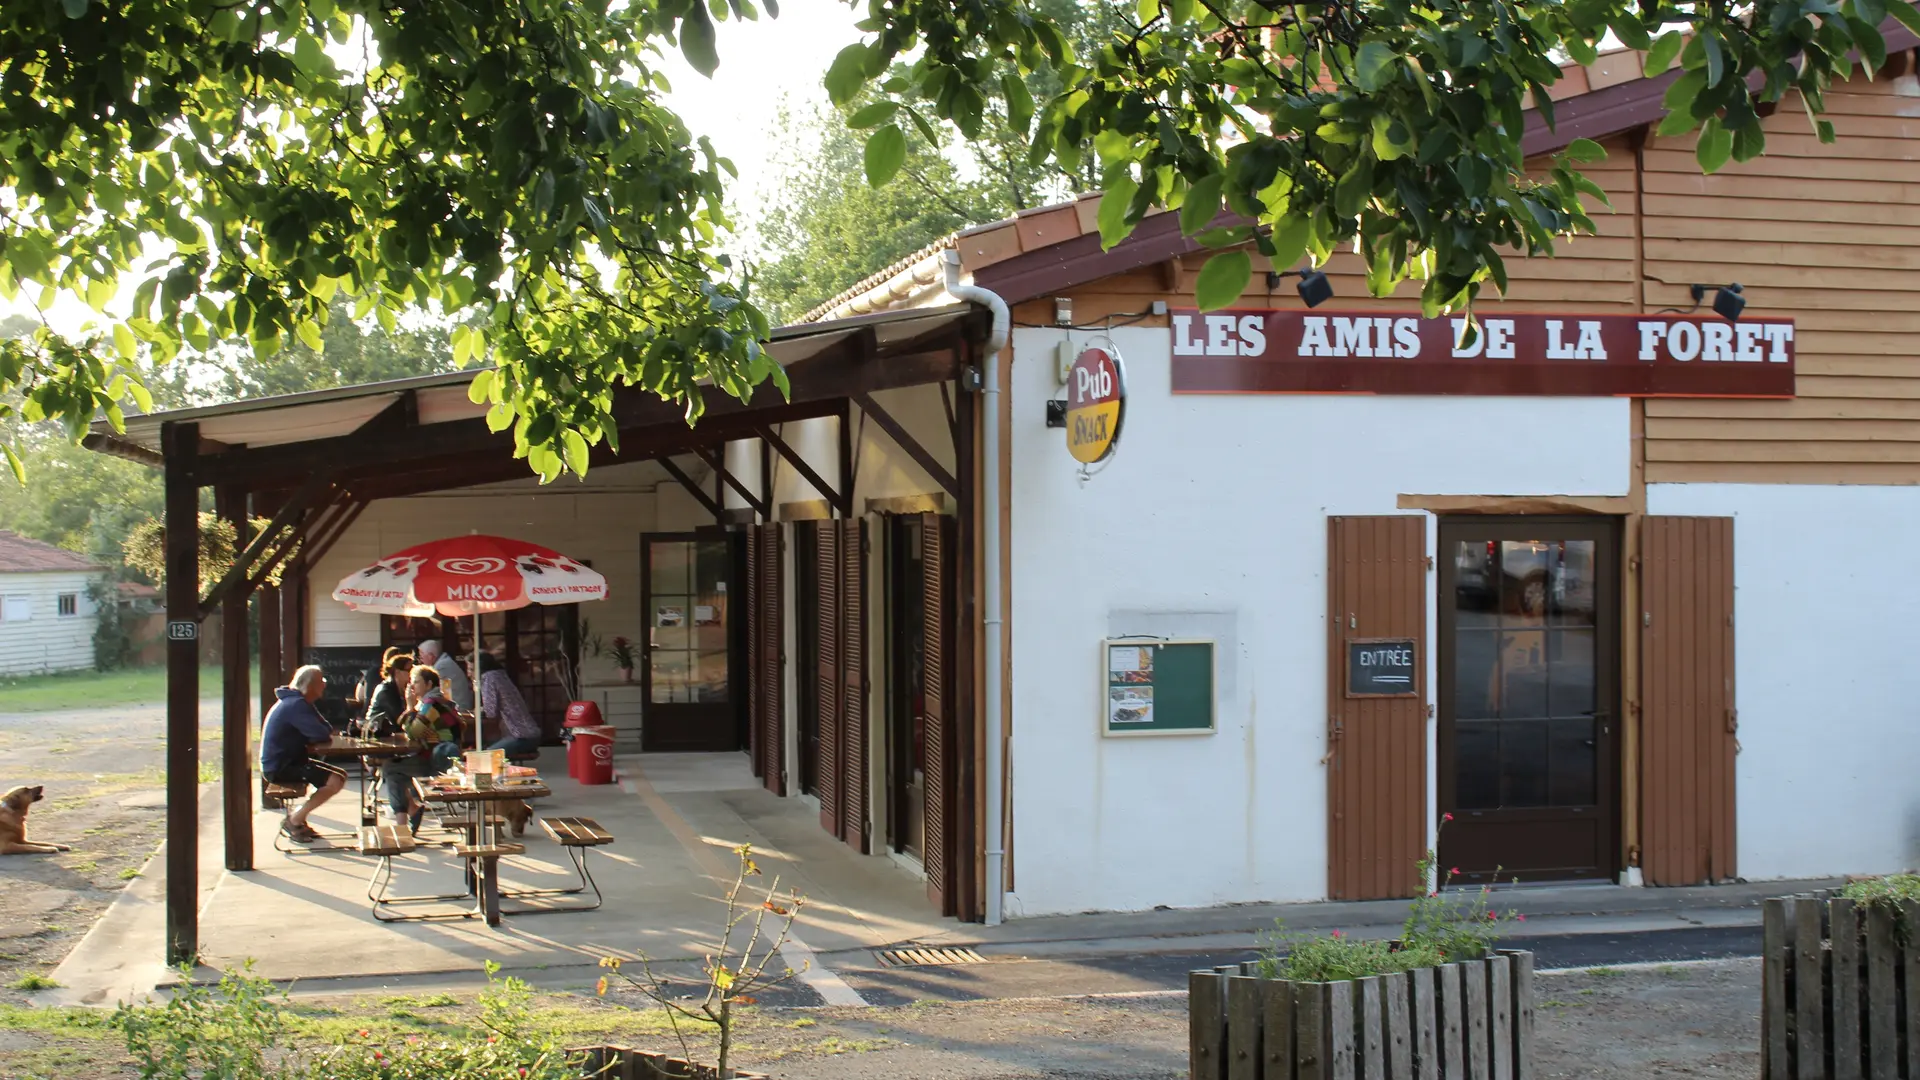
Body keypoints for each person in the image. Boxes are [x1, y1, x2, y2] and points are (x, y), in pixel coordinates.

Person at [260, 665, 346, 844]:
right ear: (310, 685)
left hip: (288, 762)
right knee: (334, 781)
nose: (324, 684)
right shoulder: (296, 704)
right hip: (280, 767)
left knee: (339, 777)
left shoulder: (298, 701)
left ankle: (298, 817)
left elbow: (325, 729)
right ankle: (294, 820)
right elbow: (320, 733)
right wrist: (320, 731)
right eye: (321, 681)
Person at [382, 666, 465, 833]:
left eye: (416, 682)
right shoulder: (437, 700)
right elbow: (413, 729)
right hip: (441, 756)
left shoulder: (430, 703)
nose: (412, 686)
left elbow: (412, 732)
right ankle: (408, 814)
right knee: (395, 769)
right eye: (411, 683)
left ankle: (403, 823)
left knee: (390, 768)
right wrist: (411, 710)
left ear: (428, 684)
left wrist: (409, 707)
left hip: (437, 761)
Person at [479, 653, 542, 757]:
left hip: (521, 737)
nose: (468, 673)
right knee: (489, 744)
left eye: (471, 669)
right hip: (531, 735)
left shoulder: (490, 677)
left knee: (486, 756)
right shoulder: (500, 675)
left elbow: (490, 712)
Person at [361, 651, 414, 738]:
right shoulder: (386, 691)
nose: (412, 674)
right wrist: (411, 706)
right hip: (377, 738)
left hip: (391, 737)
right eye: (410, 670)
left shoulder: (400, 689)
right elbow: (400, 720)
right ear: (397, 672)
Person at [417, 638, 474, 713]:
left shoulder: (442, 667)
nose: (420, 661)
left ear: (431, 656)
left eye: (421, 657)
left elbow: (436, 693)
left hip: (460, 710)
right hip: (456, 707)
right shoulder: (443, 663)